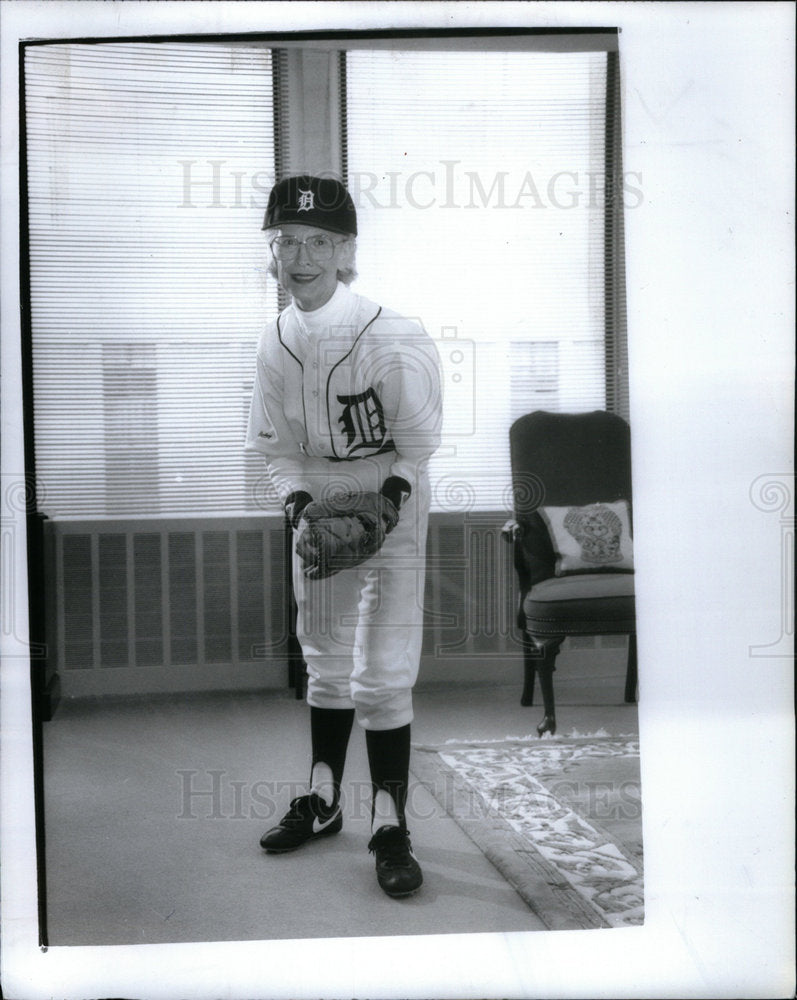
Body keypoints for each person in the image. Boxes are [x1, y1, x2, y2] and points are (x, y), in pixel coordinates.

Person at [246, 174, 442, 898]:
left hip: (392, 490)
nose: (300, 256)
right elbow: (277, 452)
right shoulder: (273, 338)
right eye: (286, 241)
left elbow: (418, 446)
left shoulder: (393, 333)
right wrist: (300, 508)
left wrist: (383, 511)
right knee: (323, 662)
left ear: (345, 250)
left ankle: (390, 825)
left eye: (317, 242)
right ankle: (324, 803)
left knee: (384, 674)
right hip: (319, 496)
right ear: (272, 251)